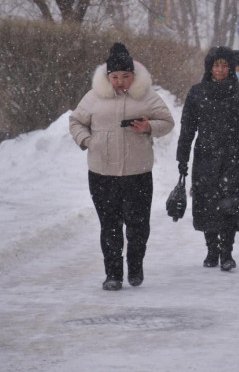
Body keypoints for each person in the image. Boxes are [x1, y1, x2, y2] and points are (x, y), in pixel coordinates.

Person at [69, 42, 175, 291]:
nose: (120, 82)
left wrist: (149, 127)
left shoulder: (147, 96)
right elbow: (76, 122)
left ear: (133, 75)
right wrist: (88, 141)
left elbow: (168, 121)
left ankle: (135, 266)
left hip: (138, 173)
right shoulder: (93, 97)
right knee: (110, 226)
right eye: (115, 77)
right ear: (107, 76)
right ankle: (113, 274)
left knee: (138, 226)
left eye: (125, 76)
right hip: (102, 173)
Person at [176, 46, 239, 271]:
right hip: (206, 157)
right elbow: (187, 129)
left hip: (233, 157)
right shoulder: (197, 93)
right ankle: (212, 249)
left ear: (230, 68)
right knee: (207, 204)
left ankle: (227, 252)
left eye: (224, 65)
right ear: (209, 67)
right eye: (216, 65)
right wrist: (182, 158)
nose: (220, 70)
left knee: (231, 203)